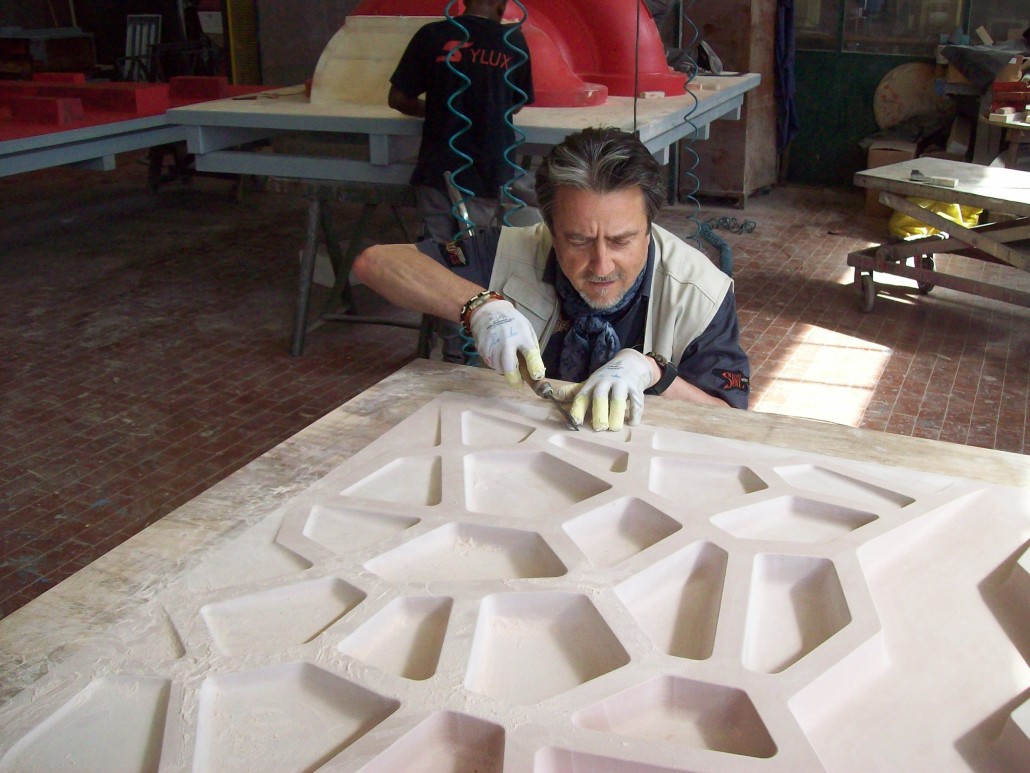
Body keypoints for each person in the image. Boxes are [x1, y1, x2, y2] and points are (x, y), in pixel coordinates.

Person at [352, 127, 750, 431]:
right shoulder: (511, 252)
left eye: (621, 241)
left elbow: (732, 423)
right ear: (550, 228)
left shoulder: (701, 293)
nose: (601, 266)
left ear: (649, 229)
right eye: (577, 240)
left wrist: (654, 373)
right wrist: (480, 306)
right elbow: (376, 263)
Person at [388, 0, 535, 243]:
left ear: (464, 1)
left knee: (438, 251)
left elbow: (398, 99)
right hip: (487, 170)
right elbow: (516, 103)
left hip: (435, 168)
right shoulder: (513, 42)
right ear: (502, 6)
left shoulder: (431, 35)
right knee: (474, 251)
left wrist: (442, 108)